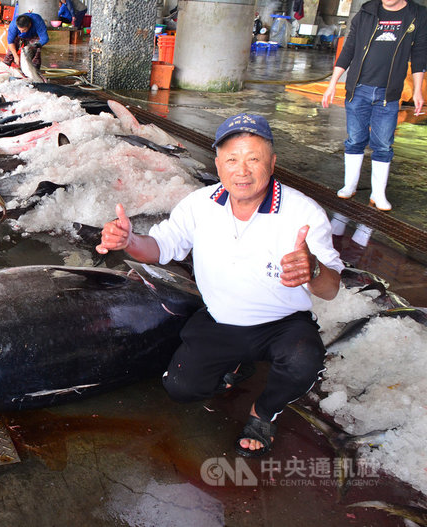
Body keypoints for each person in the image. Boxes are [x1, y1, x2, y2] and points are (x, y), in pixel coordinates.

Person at [96, 114, 343, 457]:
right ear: (217, 164)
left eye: (253, 159)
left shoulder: (304, 212)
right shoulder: (199, 205)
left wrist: (313, 268)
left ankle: (265, 412)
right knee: (180, 388)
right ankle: (238, 364)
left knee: (304, 359)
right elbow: (160, 248)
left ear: (272, 163)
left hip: (282, 325)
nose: (242, 170)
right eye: (232, 159)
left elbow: (331, 289)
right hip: (220, 320)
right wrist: (129, 241)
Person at [322, 0, 427, 211]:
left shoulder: (417, 15)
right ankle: (349, 185)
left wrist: (417, 90)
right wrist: (332, 84)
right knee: (355, 140)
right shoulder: (367, 11)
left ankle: (378, 193)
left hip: (388, 94)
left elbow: (419, 54)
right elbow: (349, 48)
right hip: (358, 89)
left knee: (383, 145)